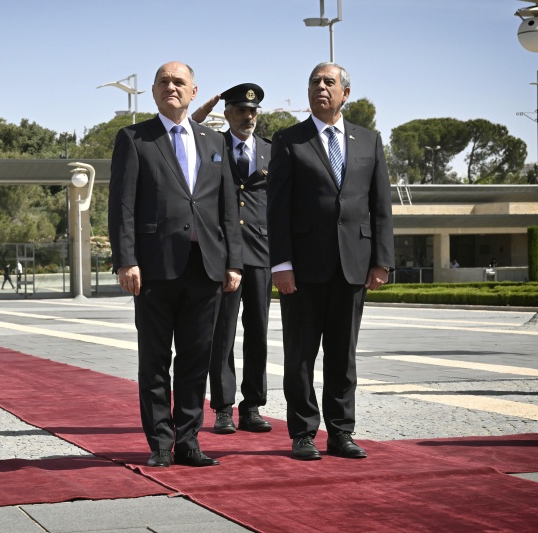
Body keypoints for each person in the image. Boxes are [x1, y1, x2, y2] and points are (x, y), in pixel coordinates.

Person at [108, 61, 243, 468]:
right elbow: (122, 205)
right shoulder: (135, 139)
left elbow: (227, 205)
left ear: (194, 91)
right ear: (153, 91)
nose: (171, 87)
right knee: (154, 360)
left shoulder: (214, 142)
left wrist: (233, 261)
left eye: (179, 82)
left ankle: (188, 442)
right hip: (153, 269)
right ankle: (161, 445)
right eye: (164, 81)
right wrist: (125, 259)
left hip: (205, 267)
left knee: (195, 360)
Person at [267, 62, 394, 460]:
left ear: (345, 93)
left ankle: (341, 432)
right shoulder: (289, 140)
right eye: (314, 82)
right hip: (302, 270)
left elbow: (381, 205)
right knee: (301, 355)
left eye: (328, 82)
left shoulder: (368, 141)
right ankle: (303, 433)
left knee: (343, 354)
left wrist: (382, 261)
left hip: (353, 265)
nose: (320, 87)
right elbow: (277, 209)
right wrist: (281, 264)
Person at [191, 83, 273, 434]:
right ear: (227, 114)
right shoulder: (213, 143)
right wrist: (199, 112)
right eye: (240, 110)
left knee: (258, 331)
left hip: (261, 252)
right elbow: (182, 135)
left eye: (253, 111)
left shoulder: (272, 151)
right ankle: (223, 407)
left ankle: (252, 406)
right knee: (222, 334)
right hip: (224, 254)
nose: (248, 116)